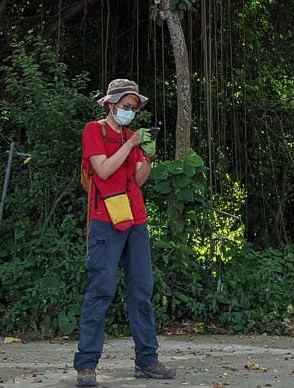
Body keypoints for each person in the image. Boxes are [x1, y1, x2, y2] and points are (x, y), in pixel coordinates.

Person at [74, 78, 177, 386]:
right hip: (105, 219)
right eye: (125, 107)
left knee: (142, 292)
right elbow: (103, 170)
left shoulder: (133, 136)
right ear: (110, 104)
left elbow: (138, 178)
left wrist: (147, 156)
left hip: (135, 220)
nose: (130, 112)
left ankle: (147, 361)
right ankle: (86, 365)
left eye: (134, 108)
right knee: (101, 290)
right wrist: (131, 145)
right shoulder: (94, 130)